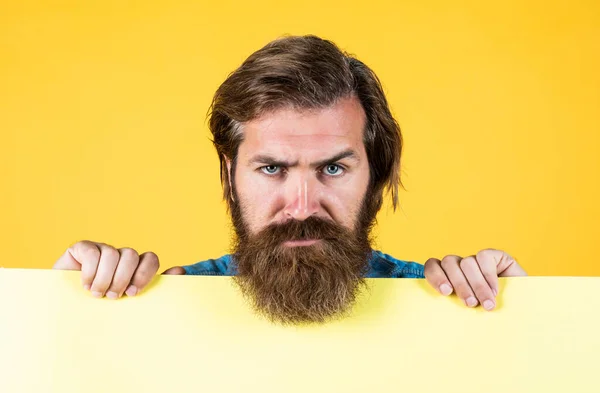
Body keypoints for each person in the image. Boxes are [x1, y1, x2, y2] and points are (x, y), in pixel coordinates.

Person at [53, 35, 527, 324]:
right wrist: (61, 312)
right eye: (273, 168)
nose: (301, 207)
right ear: (230, 174)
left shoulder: (439, 303)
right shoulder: (166, 305)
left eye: (334, 168)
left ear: (376, 172)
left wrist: (524, 317)